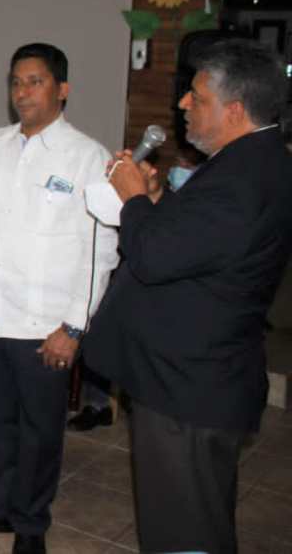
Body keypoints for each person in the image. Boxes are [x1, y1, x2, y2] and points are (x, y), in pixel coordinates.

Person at [85, 39, 292, 554]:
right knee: (193, 520)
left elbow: (154, 258)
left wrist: (133, 198)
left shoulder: (243, 179)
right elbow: (198, 246)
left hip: (189, 387)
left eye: (196, 97)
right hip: (197, 377)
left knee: (183, 531)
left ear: (235, 110)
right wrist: (157, 201)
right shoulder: (254, 161)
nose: (182, 104)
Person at [0, 43, 119, 554]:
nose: (23, 91)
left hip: (44, 325)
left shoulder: (87, 157)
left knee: (39, 431)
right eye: (16, 81)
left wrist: (74, 327)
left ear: (63, 89)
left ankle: (31, 523)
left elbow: (100, 251)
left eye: (35, 81)